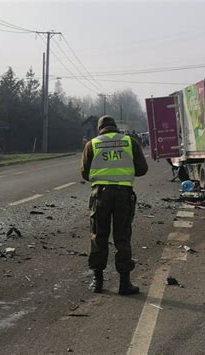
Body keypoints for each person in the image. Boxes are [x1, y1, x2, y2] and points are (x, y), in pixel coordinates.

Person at [81, 115, 148, 295]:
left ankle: (98, 282)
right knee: (122, 237)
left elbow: (85, 174)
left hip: (100, 195)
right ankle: (124, 284)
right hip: (123, 195)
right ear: (115, 127)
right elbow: (142, 169)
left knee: (98, 236)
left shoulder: (92, 144)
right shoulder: (129, 142)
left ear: (99, 129)